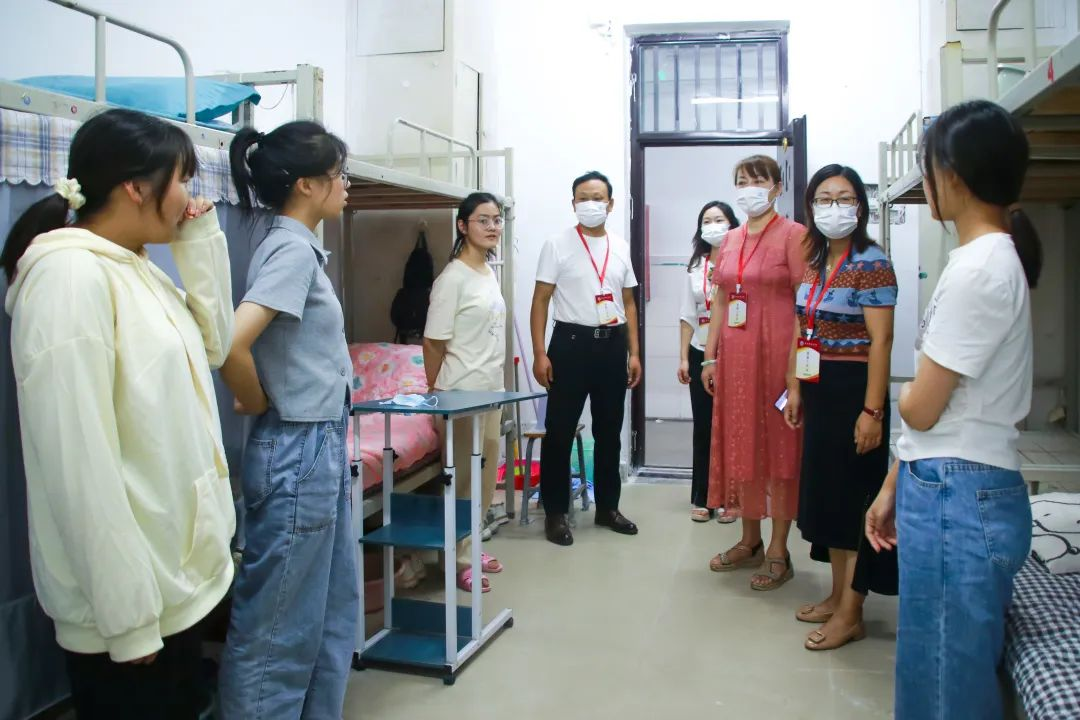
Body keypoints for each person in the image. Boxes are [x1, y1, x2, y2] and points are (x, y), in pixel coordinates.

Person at [2, 108, 235, 719]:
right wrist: (127, 618)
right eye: (182, 179)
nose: (190, 196)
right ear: (136, 186)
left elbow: (214, 345)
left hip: (172, 583)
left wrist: (199, 242)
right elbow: (78, 464)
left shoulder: (135, 267)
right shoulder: (68, 278)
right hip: (128, 607)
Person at [865, 100, 1040, 720]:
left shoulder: (981, 270)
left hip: (957, 494)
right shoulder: (975, 261)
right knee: (932, 664)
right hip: (944, 482)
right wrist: (894, 484)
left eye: (929, 165)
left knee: (946, 685)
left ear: (954, 175)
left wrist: (903, 397)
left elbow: (920, 408)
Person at [218, 121, 359, 719]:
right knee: (278, 625)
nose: (346, 185)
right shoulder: (292, 251)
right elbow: (231, 343)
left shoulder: (297, 248)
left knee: (329, 609)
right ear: (306, 184)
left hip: (318, 441)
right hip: (298, 446)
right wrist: (253, 399)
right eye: (339, 175)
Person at [784, 165, 898, 651]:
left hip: (856, 391)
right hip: (820, 389)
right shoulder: (815, 261)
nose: (834, 207)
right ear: (811, 208)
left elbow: (882, 341)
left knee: (854, 501)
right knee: (828, 499)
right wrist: (794, 387)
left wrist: (872, 413)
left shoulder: (873, 261)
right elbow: (800, 329)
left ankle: (852, 613)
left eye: (844, 198)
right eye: (824, 198)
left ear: (860, 207)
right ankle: (836, 595)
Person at [700, 154, 807, 590]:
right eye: (742, 181)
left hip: (779, 354)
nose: (749, 189)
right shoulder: (729, 239)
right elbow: (722, 300)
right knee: (740, 442)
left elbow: (804, 304)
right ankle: (750, 540)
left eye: (758, 181)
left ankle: (779, 549)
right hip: (736, 359)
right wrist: (710, 356)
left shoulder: (795, 235)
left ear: (777, 188)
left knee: (779, 446)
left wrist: (796, 372)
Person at [531, 170, 642, 546]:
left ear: (610, 204)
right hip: (570, 344)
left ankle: (608, 508)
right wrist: (539, 353)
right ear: (573, 203)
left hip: (612, 346)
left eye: (598, 198)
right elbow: (540, 300)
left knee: (609, 432)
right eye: (583, 198)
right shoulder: (557, 244)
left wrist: (634, 353)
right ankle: (556, 513)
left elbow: (628, 302)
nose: (590, 204)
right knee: (559, 432)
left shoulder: (620, 246)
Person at [423, 192, 507, 593]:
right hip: (459, 393)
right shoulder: (452, 278)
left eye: (497, 219)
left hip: (491, 390)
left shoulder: (488, 272)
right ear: (462, 225)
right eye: (483, 220)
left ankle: (471, 546)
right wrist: (435, 394)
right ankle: (457, 561)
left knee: (486, 479)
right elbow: (433, 342)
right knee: (461, 482)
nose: (492, 227)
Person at [677, 200, 739, 523]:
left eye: (719, 219)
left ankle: (731, 497)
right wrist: (683, 357)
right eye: (707, 220)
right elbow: (687, 315)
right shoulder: (695, 268)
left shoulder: (742, 262)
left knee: (732, 426)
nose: (713, 225)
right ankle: (703, 496)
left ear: (732, 225)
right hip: (701, 351)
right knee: (704, 425)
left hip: (735, 352)